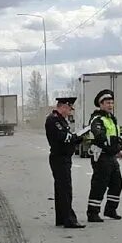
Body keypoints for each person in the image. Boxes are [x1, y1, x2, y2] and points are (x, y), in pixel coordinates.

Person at [87, 89, 122, 222]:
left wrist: (118, 150)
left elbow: (113, 138)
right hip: (101, 156)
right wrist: (115, 145)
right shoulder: (97, 119)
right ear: (101, 104)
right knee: (99, 185)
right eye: (107, 103)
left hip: (110, 156)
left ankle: (110, 210)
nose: (110, 105)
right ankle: (92, 213)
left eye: (111, 103)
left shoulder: (111, 119)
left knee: (117, 183)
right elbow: (101, 138)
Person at [45, 97, 85, 229]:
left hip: (64, 158)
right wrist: (76, 137)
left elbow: (68, 137)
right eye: (69, 109)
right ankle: (69, 219)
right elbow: (63, 137)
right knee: (65, 189)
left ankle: (62, 218)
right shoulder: (53, 120)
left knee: (61, 189)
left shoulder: (61, 120)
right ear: (62, 106)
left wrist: (78, 139)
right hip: (59, 158)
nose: (70, 112)